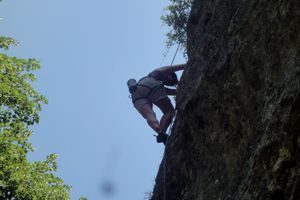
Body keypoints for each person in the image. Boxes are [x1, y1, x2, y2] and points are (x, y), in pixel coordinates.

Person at [127, 64, 186, 145]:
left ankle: (159, 131)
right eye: (171, 81)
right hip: (150, 84)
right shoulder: (155, 73)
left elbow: (167, 91)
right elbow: (171, 68)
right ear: (170, 76)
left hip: (136, 96)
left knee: (149, 115)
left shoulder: (157, 81)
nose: (170, 83)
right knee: (169, 111)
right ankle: (162, 131)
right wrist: (186, 65)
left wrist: (179, 89)